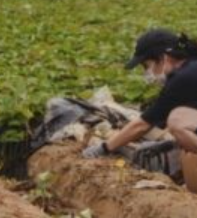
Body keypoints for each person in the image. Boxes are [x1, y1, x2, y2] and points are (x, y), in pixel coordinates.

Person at [84, 29, 197, 192]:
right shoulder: (191, 67)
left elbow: (142, 125)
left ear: (163, 57)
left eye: (146, 65)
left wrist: (104, 148)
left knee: (180, 129)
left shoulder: (183, 78)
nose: (147, 73)